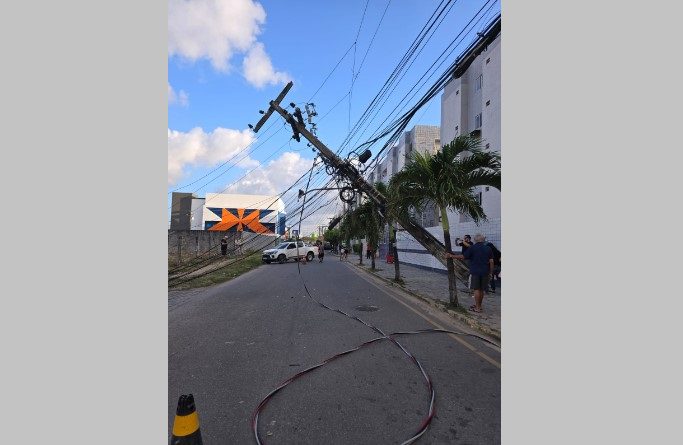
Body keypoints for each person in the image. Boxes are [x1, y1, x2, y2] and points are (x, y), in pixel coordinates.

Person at [446, 233, 493, 313]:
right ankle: (479, 306)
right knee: (481, 290)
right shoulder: (488, 248)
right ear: (483, 240)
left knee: (477, 289)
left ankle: (477, 308)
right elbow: (491, 261)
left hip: (475, 271)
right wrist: (491, 272)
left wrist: (451, 256)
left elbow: (463, 257)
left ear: (475, 240)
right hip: (485, 271)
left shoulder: (472, 248)